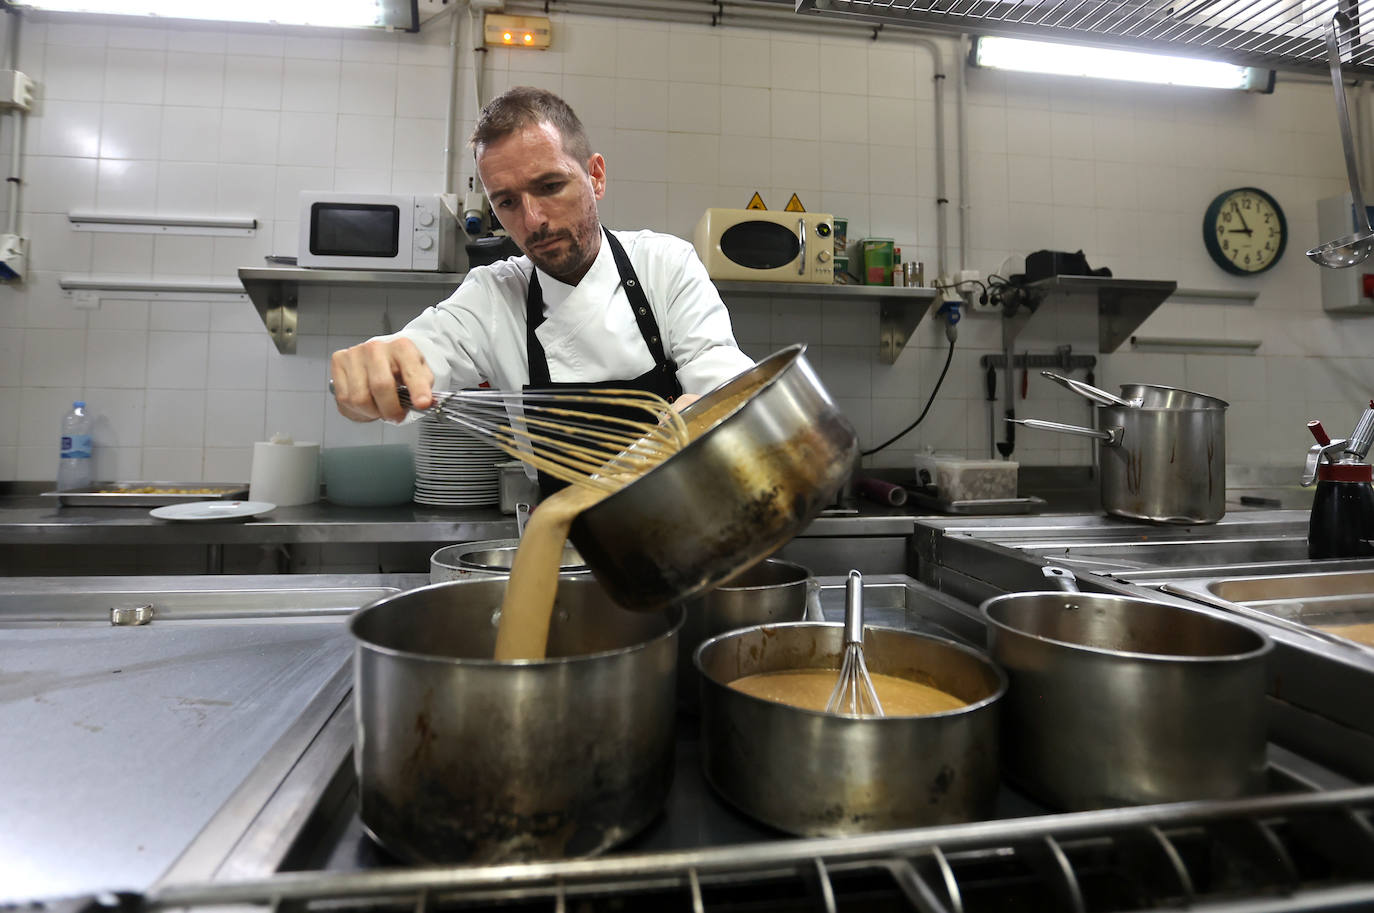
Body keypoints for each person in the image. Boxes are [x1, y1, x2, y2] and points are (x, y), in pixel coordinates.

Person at [329, 86, 755, 493]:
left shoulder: (663, 264)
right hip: (570, 548)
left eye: (550, 186)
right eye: (507, 202)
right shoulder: (494, 296)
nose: (533, 221)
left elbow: (722, 376)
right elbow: (419, 352)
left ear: (596, 177)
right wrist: (372, 374)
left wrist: (705, 411)